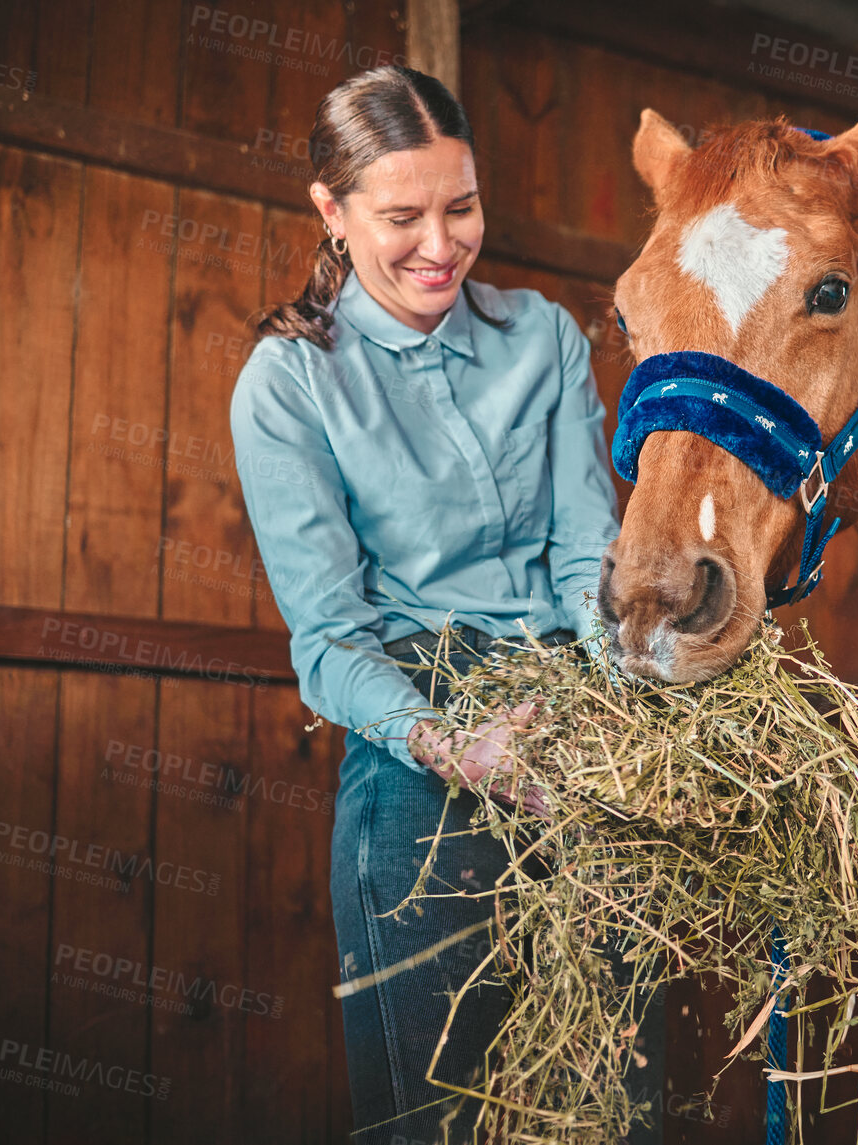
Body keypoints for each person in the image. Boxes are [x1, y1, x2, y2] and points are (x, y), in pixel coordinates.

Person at [230, 66, 662, 1143]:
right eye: (401, 216)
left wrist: (622, 715)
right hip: (420, 743)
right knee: (436, 1115)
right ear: (330, 213)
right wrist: (454, 743)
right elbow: (329, 641)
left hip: (571, 720)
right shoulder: (289, 383)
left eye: (460, 207)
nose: (439, 244)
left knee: (616, 1099)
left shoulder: (544, 339)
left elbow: (583, 558)